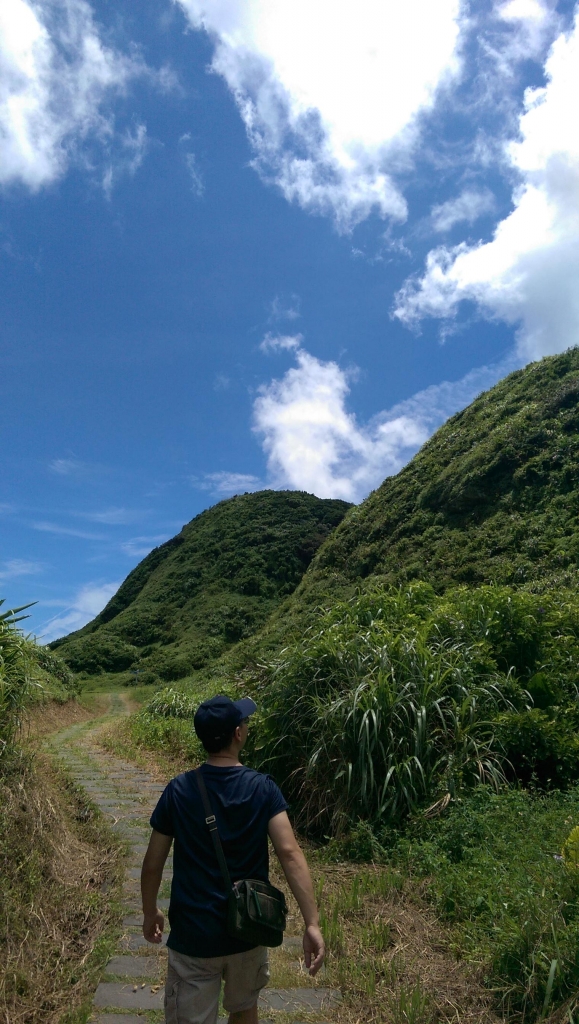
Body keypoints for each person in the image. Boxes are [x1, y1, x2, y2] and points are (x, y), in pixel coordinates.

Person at [141, 694, 325, 1024]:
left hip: (193, 935)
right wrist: (311, 923)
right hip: (248, 929)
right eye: (245, 723)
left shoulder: (179, 789)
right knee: (243, 1009)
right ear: (237, 734)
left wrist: (150, 910)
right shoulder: (263, 788)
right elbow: (290, 853)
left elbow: (153, 861)